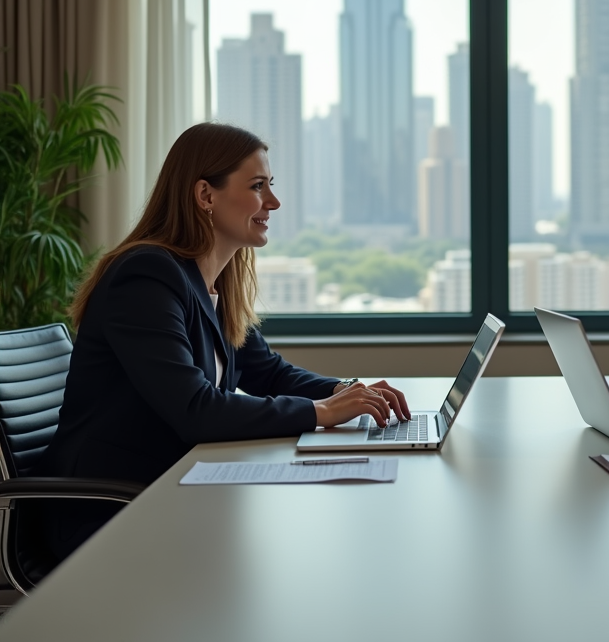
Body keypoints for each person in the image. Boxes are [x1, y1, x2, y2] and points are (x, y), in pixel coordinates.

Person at [40, 123, 411, 560]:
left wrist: (344, 391)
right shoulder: (145, 277)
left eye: (270, 186)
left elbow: (266, 371)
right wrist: (322, 413)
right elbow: (196, 410)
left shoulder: (215, 280)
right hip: (108, 510)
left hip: (170, 486)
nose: (273, 202)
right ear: (205, 196)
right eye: (257, 187)